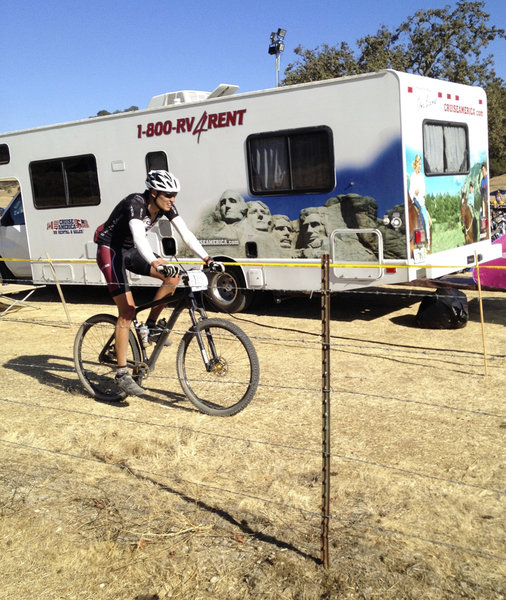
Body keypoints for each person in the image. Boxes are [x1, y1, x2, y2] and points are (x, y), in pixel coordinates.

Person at [95, 170, 222, 396]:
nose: (173, 199)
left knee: (172, 276)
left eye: (175, 195)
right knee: (127, 311)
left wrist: (207, 258)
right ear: (154, 193)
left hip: (131, 250)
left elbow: (186, 234)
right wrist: (156, 261)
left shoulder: (166, 206)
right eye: (169, 195)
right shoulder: (135, 203)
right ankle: (122, 373)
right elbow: (139, 237)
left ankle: (151, 327)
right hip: (111, 249)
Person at [409, 154, 431, 251]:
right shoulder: (412, 176)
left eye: (421, 164)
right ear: (416, 164)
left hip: (421, 201)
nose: (420, 166)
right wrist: (414, 192)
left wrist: (419, 191)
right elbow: (410, 190)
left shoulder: (422, 176)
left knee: (425, 217)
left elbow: (424, 189)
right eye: (419, 164)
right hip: (414, 201)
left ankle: (428, 241)